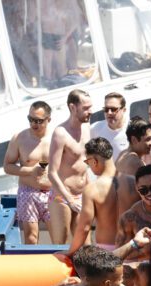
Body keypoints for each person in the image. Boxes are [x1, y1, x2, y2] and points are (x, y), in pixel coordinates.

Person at [64, 137, 126, 256]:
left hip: (106, 252)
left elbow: (84, 228)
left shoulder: (92, 189)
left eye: (87, 162)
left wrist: (70, 252)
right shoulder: (133, 183)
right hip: (130, 249)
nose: (89, 166)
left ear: (94, 161)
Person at [3, 101, 53, 244]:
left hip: (52, 192)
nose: (34, 124)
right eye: (30, 119)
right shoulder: (19, 138)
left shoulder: (56, 138)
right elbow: (7, 166)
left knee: (59, 236)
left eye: (38, 120)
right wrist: (31, 170)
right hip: (27, 192)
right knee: (31, 237)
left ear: (48, 119)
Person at [48, 89, 93, 244]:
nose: (90, 111)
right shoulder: (60, 133)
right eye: (86, 108)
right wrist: (69, 200)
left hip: (82, 195)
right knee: (61, 242)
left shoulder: (87, 127)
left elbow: (84, 162)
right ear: (73, 108)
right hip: (63, 197)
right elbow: (52, 173)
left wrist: (90, 189)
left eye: (90, 107)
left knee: (86, 246)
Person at [90, 92, 129, 162]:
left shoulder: (133, 129)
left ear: (124, 110)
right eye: (106, 109)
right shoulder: (95, 129)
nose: (109, 113)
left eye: (113, 109)